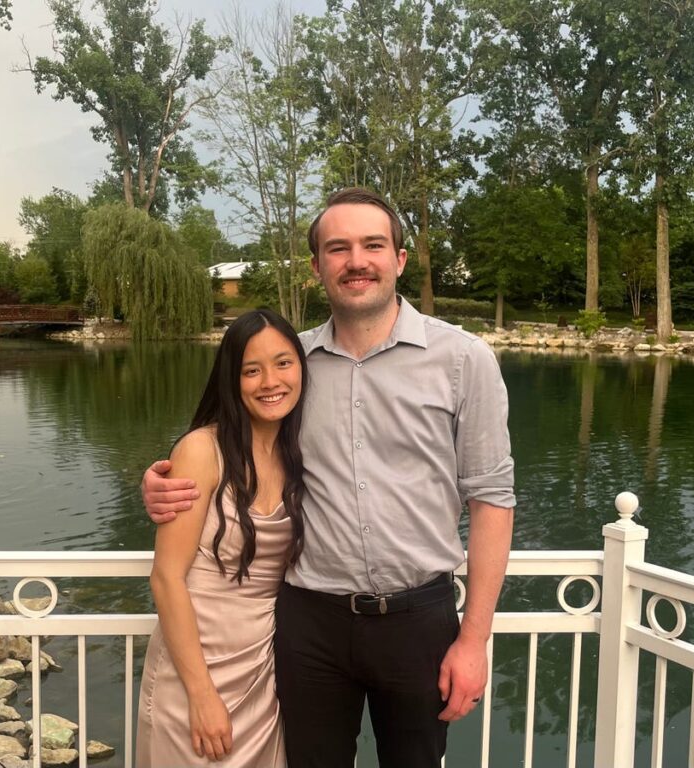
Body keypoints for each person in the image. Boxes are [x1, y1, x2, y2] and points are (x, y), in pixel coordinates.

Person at [143, 188, 515, 768]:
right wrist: (162, 481)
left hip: (418, 620)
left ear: (400, 258)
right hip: (309, 624)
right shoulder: (292, 365)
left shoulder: (464, 360)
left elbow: (492, 498)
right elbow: (229, 442)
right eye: (338, 248)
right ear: (317, 266)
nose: (356, 261)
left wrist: (473, 640)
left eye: (373, 245)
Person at [137, 309, 308, 768]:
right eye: (251, 370)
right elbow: (166, 578)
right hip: (193, 670)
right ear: (231, 379)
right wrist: (200, 694)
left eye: (283, 363)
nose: (270, 382)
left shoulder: (300, 452)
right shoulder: (201, 450)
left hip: (261, 673)